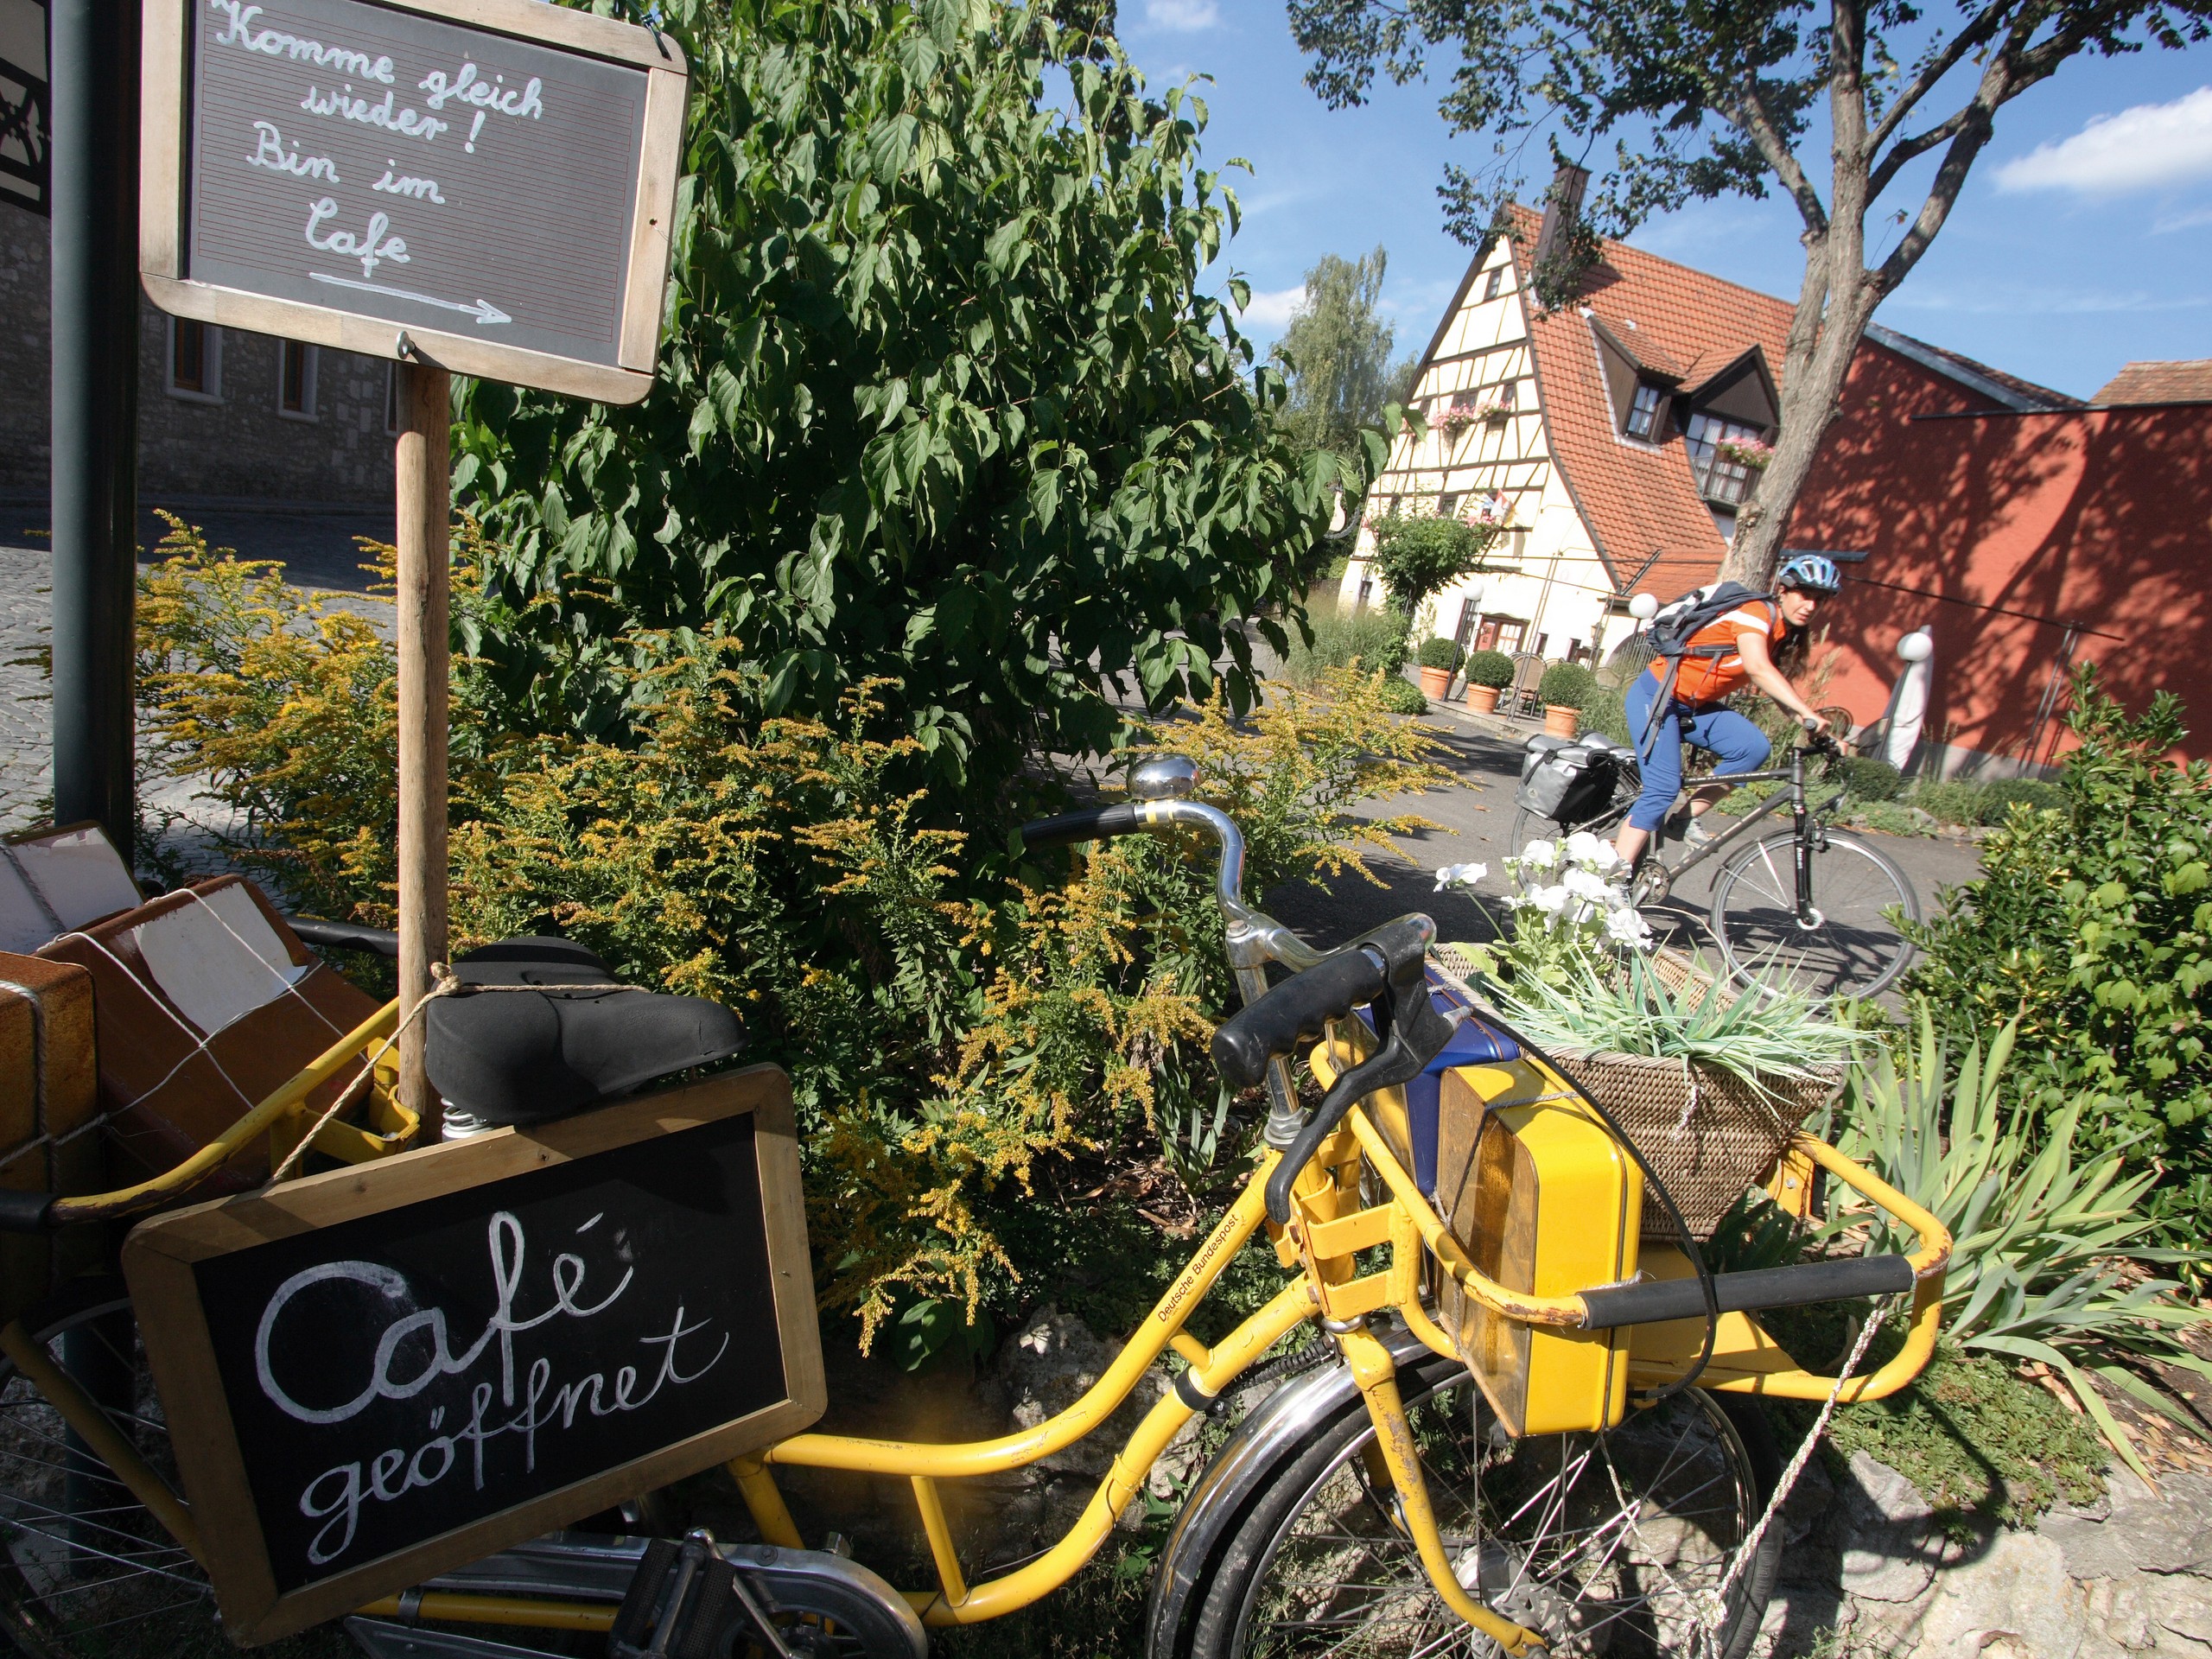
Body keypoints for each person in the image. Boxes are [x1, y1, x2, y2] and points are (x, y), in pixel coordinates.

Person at [1613, 555, 1841, 870]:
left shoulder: (1781, 634)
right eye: (1806, 595)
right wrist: (1808, 712)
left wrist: (1817, 729)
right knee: (1662, 790)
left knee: (1752, 748)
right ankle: (1613, 880)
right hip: (1656, 697)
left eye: (1820, 601)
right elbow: (1758, 669)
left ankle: (1684, 820)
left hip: (1694, 706)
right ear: (1785, 590)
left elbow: (1777, 690)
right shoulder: (1755, 614)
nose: (1811, 606)